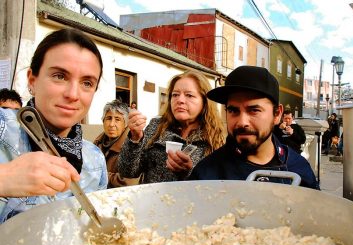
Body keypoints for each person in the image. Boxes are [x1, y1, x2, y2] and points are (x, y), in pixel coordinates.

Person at [0, 28, 108, 224]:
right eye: (60, 76)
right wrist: (4, 177)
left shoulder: (95, 160)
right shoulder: (2, 127)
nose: (73, 94)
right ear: (32, 80)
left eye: (87, 83)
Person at [189, 65, 319, 189]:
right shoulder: (207, 174)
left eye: (254, 110)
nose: (242, 122)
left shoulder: (298, 168)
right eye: (233, 111)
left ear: (277, 114)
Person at [118, 70, 225, 184]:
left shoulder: (214, 137)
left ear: (204, 101)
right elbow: (127, 172)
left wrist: (189, 172)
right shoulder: (156, 126)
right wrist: (135, 138)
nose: (180, 100)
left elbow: (215, 185)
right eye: (175, 95)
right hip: (152, 200)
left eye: (189, 95)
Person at [94, 100, 138, 188]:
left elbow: (129, 181)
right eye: (109, 118)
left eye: (117, 119)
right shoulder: (97, 143)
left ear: (125, 124)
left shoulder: (133, 145)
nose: (111, 124)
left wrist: (99, 175)